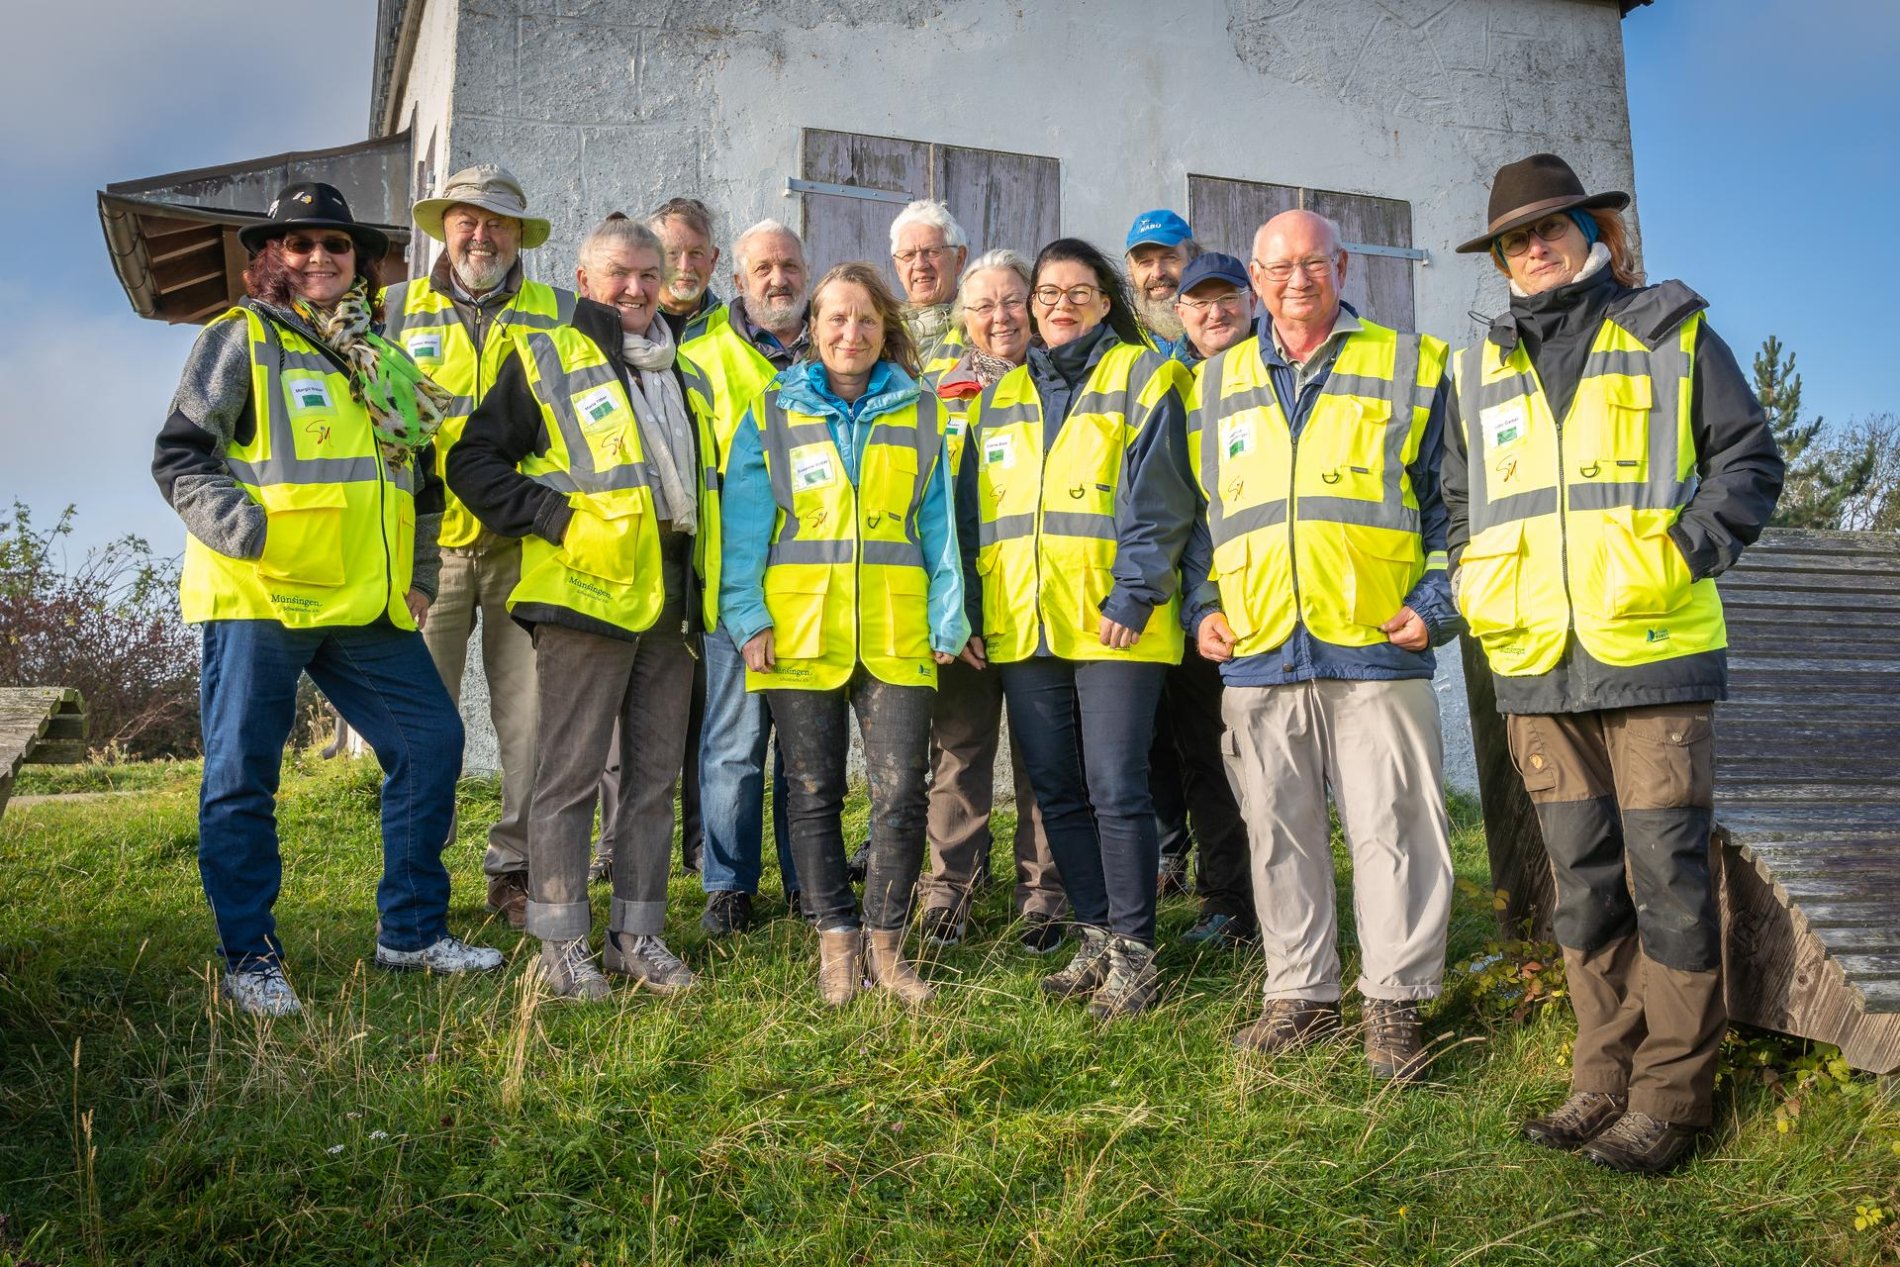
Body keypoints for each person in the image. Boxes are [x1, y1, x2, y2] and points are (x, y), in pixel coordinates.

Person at [1444, 154, 1783, 1171]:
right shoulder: (1476, 369)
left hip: (1652, 655)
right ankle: (1601, 1080)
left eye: (1551, 227)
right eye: (1515, 238)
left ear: (1593, 232)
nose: (1533, 247)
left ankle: (1670, 1100)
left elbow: (1748, 459)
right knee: (1583, 885)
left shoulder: (1671, 333)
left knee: (1666, 879)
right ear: (1500, 258)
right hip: (1535, 660)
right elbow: (1458, 501)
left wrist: (1679, 552)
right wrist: (1470, 576)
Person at [153, 181, 504, 1016]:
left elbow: (420, 478)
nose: (319, 256)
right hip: (263, 596)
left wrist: (419, 573)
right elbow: (181, 457)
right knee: (243, 777)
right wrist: (251, 533)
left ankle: (410, 932)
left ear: (359, 262)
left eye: (336, 244)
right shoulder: (239, 339)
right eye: (300, 243)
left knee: (430, 741)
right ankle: (251, 959)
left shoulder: (380, 358)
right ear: (271, 258)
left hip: (360, 602)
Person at [1182, 210, 1458, 1080]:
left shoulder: (1412, 363)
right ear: (1255, 279)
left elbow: (1455, 505)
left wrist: (1437, 604)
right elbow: (1197, 518)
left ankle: (1394, 1003)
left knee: (1395, 829)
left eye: (1312, 263)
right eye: (1278, 267)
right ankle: (1300, 996)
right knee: (1276, 830)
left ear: (1343, 266)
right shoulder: (1211, 384)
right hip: (1259, 642)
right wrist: (1201, 604)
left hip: (1376, 637)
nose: (1296, 280)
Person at [449, 214, 712, 1000]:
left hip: (670, 594)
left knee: (653, 777)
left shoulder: (685, 373)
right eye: (619, 273)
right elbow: (472, 461)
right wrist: (554, 519)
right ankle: (561, 947)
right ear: (584, 280)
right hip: (584, 593)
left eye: (648, 274)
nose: (635, 288)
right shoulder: (549, 355)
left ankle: (637, 937)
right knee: (568, 775)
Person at [721, 261, 971, 1007]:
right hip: (798, 630)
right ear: (814, 328)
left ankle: (887, 949)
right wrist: (747, 616)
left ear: (885, 329)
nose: (851, 332)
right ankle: (836, 943)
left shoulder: (921, 411)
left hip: (898, 630)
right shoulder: (772, 411)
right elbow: (744, 527)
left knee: (901, 794)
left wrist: (948, 614)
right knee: (811, 791)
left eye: (865, 319)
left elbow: (939, 526)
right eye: (836, 318)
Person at [959, 238, 1195, 1019]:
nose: (1061, 306)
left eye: (1079, 293)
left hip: (1114, 622)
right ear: (1032, 305)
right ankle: (1096, 937)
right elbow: (973, 516)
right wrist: (973, 610)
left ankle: (1136, 956)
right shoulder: (998, 398)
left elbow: (1163, 501)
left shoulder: (1144, 376)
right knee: (1057, 788)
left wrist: (1134, 594)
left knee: (1116, 787)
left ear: (1105, 301)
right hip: (1025, 621)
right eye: (1048, 293)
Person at [382, 165, 575, 929]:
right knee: (421, 721)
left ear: (520, 234)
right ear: (445, 228)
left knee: (530, 720)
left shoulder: (561, 312)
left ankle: (514, 870)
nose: (481, 235)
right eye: (467, 220)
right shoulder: (396, 309)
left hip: (525, 544)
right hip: (430, 547)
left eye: (497, 222)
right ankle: (417, 869)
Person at [918, 249, 1067, 952]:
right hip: (963, 612)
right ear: (962, 318)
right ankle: (948, 893)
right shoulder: (933, 393)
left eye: (1013, 301)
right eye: (983, 305)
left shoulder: (1061, 385)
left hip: (1039, 605)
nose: (1001, 316)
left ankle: (1045, 898)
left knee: (1045, 758)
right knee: (959, 752)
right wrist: (959, 612)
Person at [681, 219, 811, 936]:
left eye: (789, 265)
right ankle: (728, 885)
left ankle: (806, 881)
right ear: (737, 281)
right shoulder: (699, 359)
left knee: (805, 750)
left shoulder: (837, 349)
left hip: (817, 586)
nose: (778, 278)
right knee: (733, 745)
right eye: (763, 268)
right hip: (734, 584)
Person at [591, 196, 726, 886]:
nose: (679, 267)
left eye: (693, 253)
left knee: (694, 717)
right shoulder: (597, 342)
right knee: (618, 726)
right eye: (668, 254)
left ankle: (697, 849)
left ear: (713, 260)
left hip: (694, 557)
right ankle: (614, 847)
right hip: (613, 558)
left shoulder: (725, 342)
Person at [1149, 251, 1258, 947]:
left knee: (1258, 762)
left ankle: (1269, 899)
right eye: (1200, 302)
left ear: (1252, 302)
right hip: (1189, 604)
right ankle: (1228, 900)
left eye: (1228, 299)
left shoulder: (1276, 375)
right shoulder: (1169, 383)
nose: (1215, 313)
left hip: (1261, 601)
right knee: (1202, 756)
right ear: (1180, 313)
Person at [890, 199, 971, 379]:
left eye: (932, 252)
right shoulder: (881, 332)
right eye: (908, 255)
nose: (920, 264)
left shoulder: (980, 326)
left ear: (959, 259)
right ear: (898, 268)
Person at [1124, 209, 1201, 359]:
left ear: (1193, 258)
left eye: (1170, 258)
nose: (1157, 273)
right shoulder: (1120, 337)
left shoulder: (1218, 328)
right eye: (1145, 262)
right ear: (1131, 272)